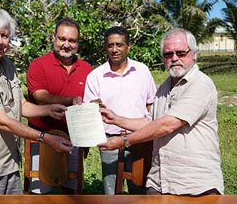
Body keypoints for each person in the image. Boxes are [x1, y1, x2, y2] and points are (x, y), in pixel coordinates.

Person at [0, 9, 73, 195]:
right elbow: (1, 121)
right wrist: (46, 138)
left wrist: (49, 109)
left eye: (4, 35)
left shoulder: (7, 65)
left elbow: (21, 105)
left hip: (10, 164)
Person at [98, 28, 224, 195]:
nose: (174, 59)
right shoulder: (165, 86)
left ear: (194, 54)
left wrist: (124, 141)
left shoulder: (201, 84)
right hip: (160, 181)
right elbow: (150, 122)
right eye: (168, 54)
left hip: (195, 184)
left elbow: (167, 125)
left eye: (180, 53)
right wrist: (116, 119)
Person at [83, 26, 156, 194]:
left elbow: (151, 104)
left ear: (128, 46)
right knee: (111, 191)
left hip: (140, 138)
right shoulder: (96, 76)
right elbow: (90, 110)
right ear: (105, 47)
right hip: (110, 140)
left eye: (119, 45)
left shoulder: (142, 71)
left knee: (140, 188)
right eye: (110, 45)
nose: (114, 49)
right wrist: (95, 106)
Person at [26, 18, 92, 194]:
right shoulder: (38, 65)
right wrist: (70, 100)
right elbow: (41, 97)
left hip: (73, 139)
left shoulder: (86, 69)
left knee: (72, 192)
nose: (66, 44)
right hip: (41, 138)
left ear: (78, 42)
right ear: (54, 37)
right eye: (62, 39)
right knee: (39, 192)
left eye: (72, 41)